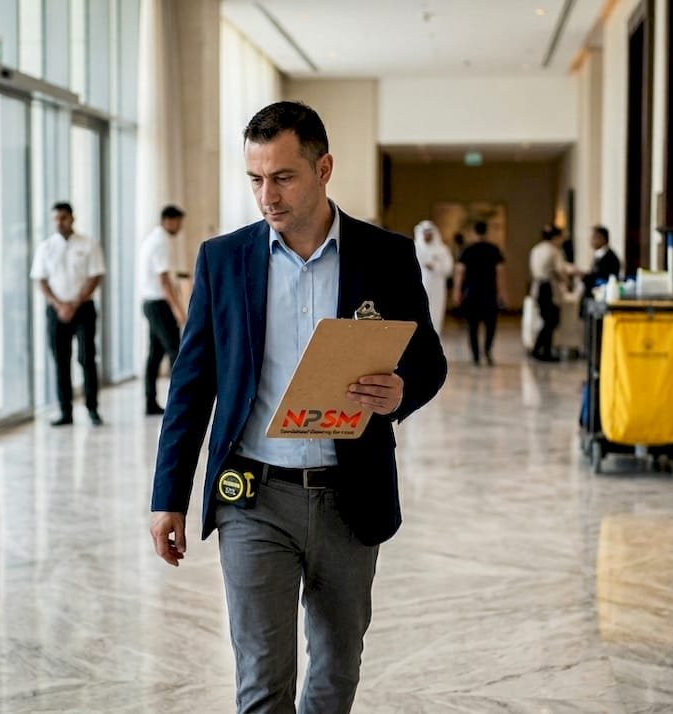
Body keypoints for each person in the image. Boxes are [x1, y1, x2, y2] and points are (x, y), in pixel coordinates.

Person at [148, 101, 447, 713]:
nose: (268, 196)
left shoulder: (384, 256)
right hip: (252, 496)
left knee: (336, 671)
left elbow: (429, 360)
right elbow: (191, 386)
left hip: (350, 495)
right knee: (262, 679)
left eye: (283, 177)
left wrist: (400, 391)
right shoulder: (223, 261)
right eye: (255, 179)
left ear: (323, 168)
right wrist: (167, 495)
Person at [30, 202, 105, 426]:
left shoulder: (88, 244)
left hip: (83, 308)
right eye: (55, 218)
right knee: (61, 361)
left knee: (87, 358)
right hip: (57, 311)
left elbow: (95, 276)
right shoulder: (46, 247)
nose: (59, 222)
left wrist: (74, 303)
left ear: (72, 218)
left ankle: (92, 409)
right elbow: (41, 280)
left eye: (63, 218)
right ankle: (65, 412)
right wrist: (59, 304)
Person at [138, 205, 188, 415]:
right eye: (178, 222)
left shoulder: (153, 239)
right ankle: (180, 403)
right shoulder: (161, 242)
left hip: (150, 303)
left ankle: (150, 402)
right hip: (159, 304)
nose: (180, 227)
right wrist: (178, 309)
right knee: (175, 352)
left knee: (155, 354)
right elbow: (164, 279)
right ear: (168, 220)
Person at [451, 221, 507, 366]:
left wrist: (457, 292)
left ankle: (475, 355)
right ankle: (487, 350)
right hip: (490, 292)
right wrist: (502, 293)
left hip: (471, 293)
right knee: (490, 324)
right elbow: (500, 273)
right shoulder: (493, 250)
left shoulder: (467, 250)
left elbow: (459, 272)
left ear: (473, 232)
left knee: (472, 326)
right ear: (486, 232)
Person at [529, 225, 579, 362]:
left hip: (538, 287)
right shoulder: (554, 251)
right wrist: (567, 281)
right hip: (549, 288)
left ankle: (544, 350)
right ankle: (540, 349)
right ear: (556, 237)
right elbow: (560, 270)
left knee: (546, 319)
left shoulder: (536, 249)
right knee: (551, 320)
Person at [413, 220, 453, 332]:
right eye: (424, 233)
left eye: (429, 233)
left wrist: (435, 266)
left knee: (435, 315)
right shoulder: (415, 249)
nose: (427, 235)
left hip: (437, 289)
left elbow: (448, 268)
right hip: (418, 289)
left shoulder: (442, 250)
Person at [582, 224, 622, 293]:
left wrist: (582, 275)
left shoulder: (610, 258)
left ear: (602, 238)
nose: (590, 240)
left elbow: (601, 279)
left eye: (593, 237)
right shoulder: (599, 254)